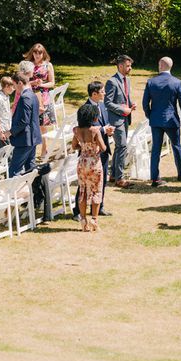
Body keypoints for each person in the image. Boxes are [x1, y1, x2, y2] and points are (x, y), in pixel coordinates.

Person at [142, 57, 181, 187]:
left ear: (161, 65)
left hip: (156, 119)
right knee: (176, 146)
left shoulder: (151, 82)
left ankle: (155, 178)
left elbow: (145, 103)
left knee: (156, 149)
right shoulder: (177, 82)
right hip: (171, 119)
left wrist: (150, 115)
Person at [73, 81, 115, 221]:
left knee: (101, 183)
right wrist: (103, 130)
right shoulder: (85, 108)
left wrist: (107, 130)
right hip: (90, 153)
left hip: (101, 150)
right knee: (84, 184)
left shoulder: (102, 105)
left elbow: (103, 124)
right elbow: (86, 128)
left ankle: (99, 207)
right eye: (102, 91)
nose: (104, 93)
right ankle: (77, 211)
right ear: (94, 93)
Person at [72, 104, 107, 232]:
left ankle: (83, 219)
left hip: (82, 163)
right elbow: (103, 148)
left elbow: (74, 146)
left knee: (82, 190)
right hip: (94, 163)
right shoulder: (95, 130)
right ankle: (94, 219)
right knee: (96, 191)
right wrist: (95, 147)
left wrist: (83, 147)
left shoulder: (76, 130)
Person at [105, 54, 136, 188]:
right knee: (122, 146)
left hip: (125, 118)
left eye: (130, 66)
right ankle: (120, 178)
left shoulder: (127, 80)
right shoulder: (112, 82)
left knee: (119, 147)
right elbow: (107, 103)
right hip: (116, 119)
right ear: (121, 66)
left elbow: (126, 97)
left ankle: (113, 174)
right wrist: (123, 110)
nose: (130, 68)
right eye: (128, 66)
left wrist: (131, 104)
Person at [24, 43, 55, 158]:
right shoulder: (28, 65)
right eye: (35, 52)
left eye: (40, 52)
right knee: (31, 124)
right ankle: (31, 150)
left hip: (43, 97)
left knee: (43, 125)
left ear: (43, 53)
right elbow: (22, 81)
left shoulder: (48, 65)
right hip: (30, 96)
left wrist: (42, 84)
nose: (37, 55)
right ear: (32, 52)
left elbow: (52, 83)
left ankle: (44, 148)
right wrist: (32, 83)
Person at [8, 72, 42, 177]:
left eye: (14, 85)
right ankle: (34, 191)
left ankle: (13, 193)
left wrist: (10, 132)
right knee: (31, 169)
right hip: (33, 138)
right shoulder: (33, 95)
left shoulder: (25, 97)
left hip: (25, 139)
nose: (14, 89)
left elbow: (23, 121)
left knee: (14, 170)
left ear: (19, 83)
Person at [0, 76, 15, 148]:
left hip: (7, 129)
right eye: (13, 87)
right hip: (2, 131)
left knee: (5, 153)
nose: (14, 89)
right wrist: (0, 132)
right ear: (7, 86)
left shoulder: (6, 97)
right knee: (6, 154)